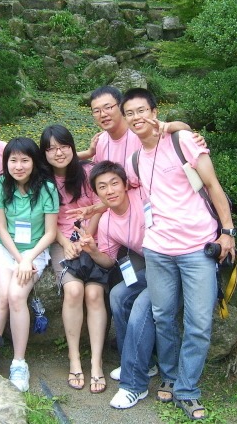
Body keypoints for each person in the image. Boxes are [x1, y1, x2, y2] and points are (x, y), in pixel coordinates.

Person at [121, 88, 236, 420]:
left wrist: (227, 231)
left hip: (197, 248)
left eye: (142, 110)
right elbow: (126, 191)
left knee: (198, 322)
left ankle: (187, 390)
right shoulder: (134, 160)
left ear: (155, 112)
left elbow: (212, 185)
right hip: (157, 249)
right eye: (130, 113)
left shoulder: (182, 140)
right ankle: (170, 377)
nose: (137, 117)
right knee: (163, 317)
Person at [0, 137, 59, 392]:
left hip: (35, 250)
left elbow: (50, 233)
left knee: (17, 295)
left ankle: (19, 362)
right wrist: (21, 260)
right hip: (4, 248)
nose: (19, 166)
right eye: (13, 160)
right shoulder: (1, 184)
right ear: (6, 162)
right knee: (2, 294)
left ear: (34, 162)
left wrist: (29, 258)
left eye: (25, 160)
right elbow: (0, 227)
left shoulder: (47, 188)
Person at [77, 160, 157, 409]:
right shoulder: (107, 221)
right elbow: (109, 261)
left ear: (125, 184)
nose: (110, 190)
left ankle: (134, 384)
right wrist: (92, 250)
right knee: (118, 295)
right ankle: (137, 362)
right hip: (149, 268)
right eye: (102, 187)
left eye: (114, 183)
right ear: (97, 193)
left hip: (170, 265)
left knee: (140, 308)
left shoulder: (142, 195)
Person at [39, 124, 108, 393]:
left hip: (94, 237)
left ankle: (97, 362)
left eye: (64, 146)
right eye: (51, 149)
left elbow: (100, 207)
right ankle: (75, 358)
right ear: (44, 154)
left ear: (72, 147)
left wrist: (86, 238)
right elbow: (48, 221)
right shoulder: (43, 181)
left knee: (94, 294)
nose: (59, 153)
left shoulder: (88, 172)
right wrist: (67, 243)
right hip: (62, 241)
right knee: (74, 290)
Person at [77, 86, 191, 164]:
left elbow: (181, 131)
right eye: (96, 111)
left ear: (121, 107)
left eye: (108, 107)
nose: (103, 114)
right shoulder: (100, 141)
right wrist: (89, 153)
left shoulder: (141, 129)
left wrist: (176, 126)